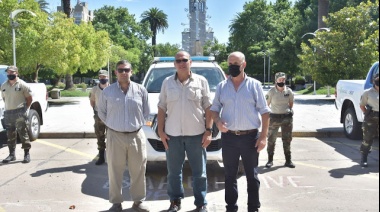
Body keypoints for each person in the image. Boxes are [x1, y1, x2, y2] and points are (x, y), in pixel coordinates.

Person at [210, 51, 270, 212]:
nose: (232, 67)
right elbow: (214, 109)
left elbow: (265, 112)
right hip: (229, 138)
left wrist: (263, 137)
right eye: (229, 64)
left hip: (250, 137)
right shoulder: (222, 86)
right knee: (229, 176)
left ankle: (253, 208)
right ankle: (231, 207)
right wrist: (217, 121)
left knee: (252, 176)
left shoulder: (254, 85)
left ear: (243, 65)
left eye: (235, 64)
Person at [157, 51, 212, 212]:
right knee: (173, 173)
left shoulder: (201, 81)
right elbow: (161, 107)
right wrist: (161, 131)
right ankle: (175, 202)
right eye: (178, 60)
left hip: (196, 135)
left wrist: (208, 131)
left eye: (185, 60)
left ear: (190, 62)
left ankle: (201, 203)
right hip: (172, 136)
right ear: (174, 63)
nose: (181, 63)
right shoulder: (167, 83)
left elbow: (209, 107)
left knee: (199, 173)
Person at [97, 60, 150, 212]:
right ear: (115, 72)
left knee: (139, 169)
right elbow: (101, 111)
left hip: (136, 135)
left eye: (127, 70)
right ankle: (116, 202)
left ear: (131, 72)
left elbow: (146, 112)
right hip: (115, 136)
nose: (124, 72)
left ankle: (138, 201)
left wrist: (136, 124)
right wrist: (113, 125)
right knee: (114, 169)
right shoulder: (107, 92)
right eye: (120, 70)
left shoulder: (140, 90)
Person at [1, 66, 32, 164]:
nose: (10, 74)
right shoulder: (4, 85)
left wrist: (24, 109)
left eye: (12, 72)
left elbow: (29, 99)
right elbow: (5, 98)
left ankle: (26, 154)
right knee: (10, 135)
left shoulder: (22, 85)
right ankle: (12, 155)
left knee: (23, 133)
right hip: (8, 113)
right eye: (8, 72)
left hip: (19, 112)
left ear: (16, 73)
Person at [265, 72, 295, 168]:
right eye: (279, 80)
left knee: (287, 139)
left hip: (286, 118)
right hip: (274, 118)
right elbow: (267, 105)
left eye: (283, 80)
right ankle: (270, 160)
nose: (281, 81)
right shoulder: (271, 92)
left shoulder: (289, 91)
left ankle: (288, 160)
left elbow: (290, 104)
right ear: (276, 80)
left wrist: (287, 111)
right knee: (271, 139)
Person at [89, 70, 110, 165]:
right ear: (99, 78)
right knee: (100, 136)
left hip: (111, 116)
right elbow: (92, 101)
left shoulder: (112, 88)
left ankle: (111, 157)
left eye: (104, 77)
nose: (103, 79)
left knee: (112, 137)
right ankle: (101, 157)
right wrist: (95, 110)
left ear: (108, 77)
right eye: (101, 77)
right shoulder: (95, 89)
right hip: (99, 116)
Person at [359, 73, 379, 167]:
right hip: (371, 118)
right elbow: (362, 105)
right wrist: (367, 114)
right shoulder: (368, 92)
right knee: (367, 139)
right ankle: (364, 158)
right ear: (374, 81)